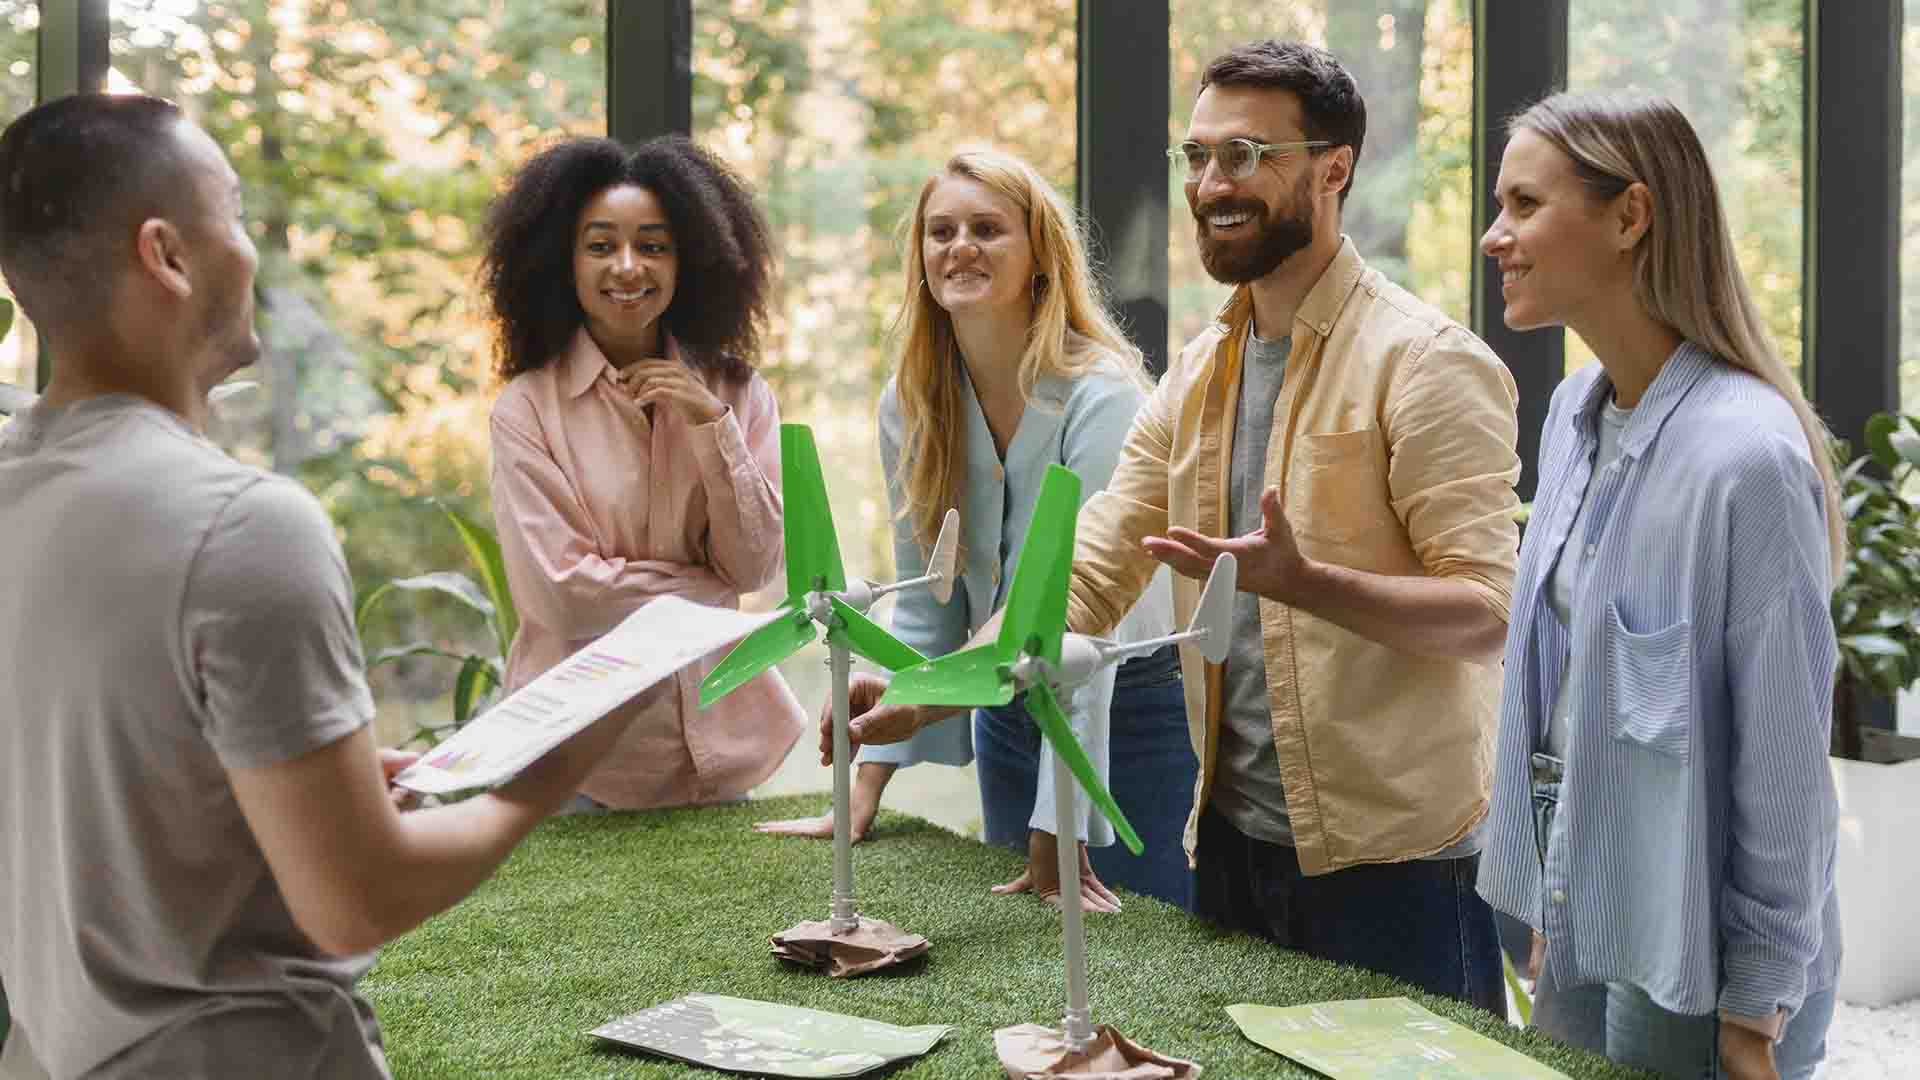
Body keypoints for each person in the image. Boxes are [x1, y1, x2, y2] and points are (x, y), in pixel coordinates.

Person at [829, 40, 1520, 1013]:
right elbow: (1079, 585)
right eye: (1197, 157)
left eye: (1247, 155)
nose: (1213, 183)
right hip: (1231, 844)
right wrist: (916, 696)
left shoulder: (1428, 362)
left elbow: (1491, 612)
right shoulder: (1200, 375)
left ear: (1334, 167)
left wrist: (1308, 581)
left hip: (1391, 864)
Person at [0, 94, 647, 1080]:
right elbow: (356, 898)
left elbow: (101, 763)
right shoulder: (242, 526)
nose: (253, 252)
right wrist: (548, 774)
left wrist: (303, 777)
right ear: (168, 255)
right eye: (235, 214)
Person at [1476, 91, 1841, 1080]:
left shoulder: (1747, 458)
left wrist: (1757, 1009)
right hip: (1587, 929)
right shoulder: (1569, 414)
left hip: (1706, 975)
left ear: (1630, 216)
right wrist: (1558, 895)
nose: (1491, 235)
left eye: (1522, 204)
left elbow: (1787, 763)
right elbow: (1564, 702)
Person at [757, 148, 1195, 911]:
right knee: (1029, 956)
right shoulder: (912, 402)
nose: (959, 246)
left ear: (1039, 258)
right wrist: (865, 791)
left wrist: (1060, 824)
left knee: (1141, 952)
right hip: (1003, 708)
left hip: (1131, 710)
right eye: (940, 231)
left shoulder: (1103, 396)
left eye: (987, 229)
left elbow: (1075, 619)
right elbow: (928, 605)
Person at [483, 135, 803, 812]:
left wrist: (712, 427)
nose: (628, 267)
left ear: (690, 258)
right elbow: (563, 597)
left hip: (725, 757)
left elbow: (753, 570)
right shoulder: (526, 411)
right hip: (582, 768)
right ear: (562, 262)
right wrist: (703, 594)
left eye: (653, 245)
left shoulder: (740, 395)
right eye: (600, 245)